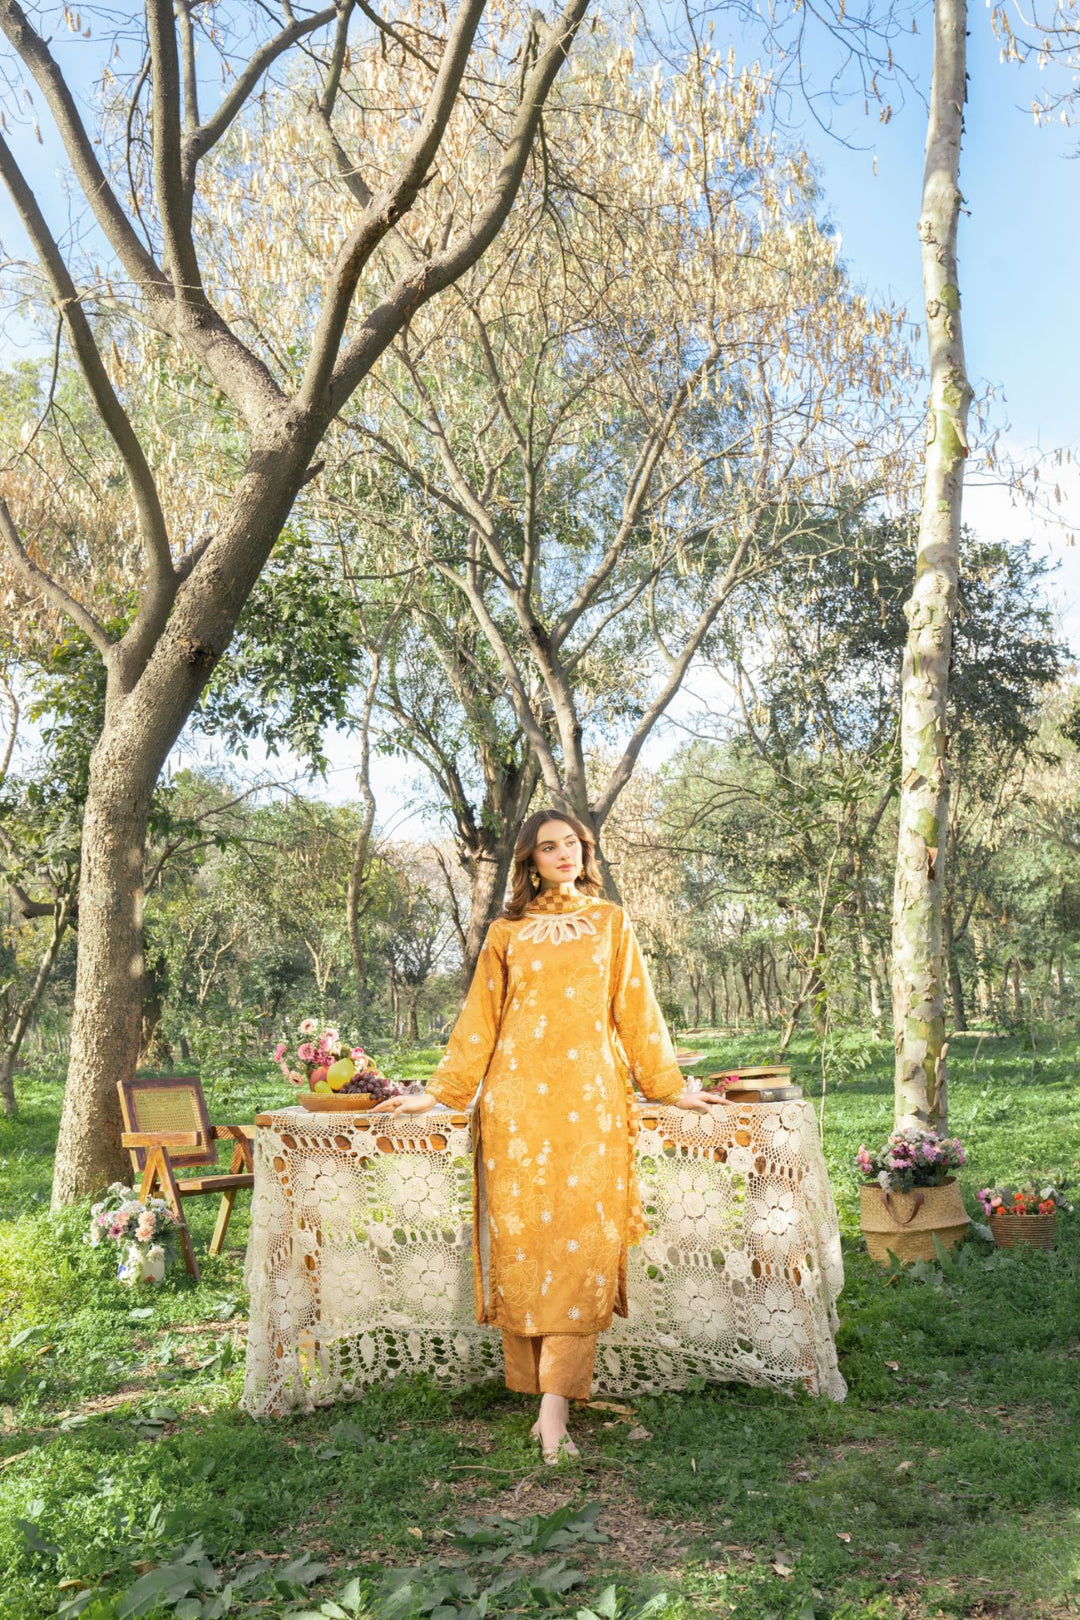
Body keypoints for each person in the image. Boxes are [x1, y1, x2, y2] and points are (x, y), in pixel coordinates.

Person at [373, 808, 728, 1463]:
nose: (564, 854)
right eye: (548, 847)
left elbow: (636, 1010)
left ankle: (555, 1406)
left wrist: (669, 1086)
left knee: (580, 1250)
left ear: (584, 850)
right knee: (526, 1247)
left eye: (572, 844)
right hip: (515, 1112)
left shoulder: (611, 922)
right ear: (529, 861)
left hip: (591, 1107)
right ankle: (540, 1393)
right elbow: (480, 1019)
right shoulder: (506, 932)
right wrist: (442, 1093)